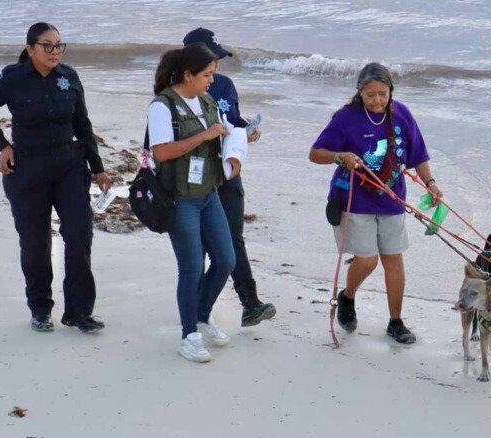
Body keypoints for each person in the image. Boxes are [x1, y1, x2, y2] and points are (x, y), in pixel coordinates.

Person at [0, 22, 111, 333]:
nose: (55, 51)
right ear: (30, 49)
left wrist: (98, 168)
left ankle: (79, 312)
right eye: (47, 45)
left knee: (80, 234)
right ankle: (40, 309)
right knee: (35, 242)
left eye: (59, 45)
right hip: (27, 170)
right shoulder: (13, 78)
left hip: (69, 166)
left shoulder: (69, 77)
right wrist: (4, 146)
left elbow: (83, 124)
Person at [309, 62, 443, 344]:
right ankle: (347, 297)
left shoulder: (401, 114)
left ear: (391, 91)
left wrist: (431, 183)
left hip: (393, 200)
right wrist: (339, 156)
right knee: (368, 260)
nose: (378, 100)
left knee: (394, 260)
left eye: (383, 94)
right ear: (360, 91)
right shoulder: (346, 118)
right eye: (371, 95)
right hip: (354, 200)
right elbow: (316, 153)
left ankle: (396, 322)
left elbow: (418, 155)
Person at [182, 27, 277, 327]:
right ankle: (196, 310)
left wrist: (247, 130)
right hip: (194, 176)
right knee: (197, 245)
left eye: (218, 58)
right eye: (212, 58)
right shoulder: (174, 93)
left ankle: (250, 303)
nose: (217, 64)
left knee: (233, 238)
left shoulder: (224, 84)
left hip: (227, 172)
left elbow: (233, 121)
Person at [149, 42, 236, 362]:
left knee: (226, 260)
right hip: (180, 199)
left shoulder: (207, 100)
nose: (212, 80)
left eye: (213, 74)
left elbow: (221, 131)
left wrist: (236, 143)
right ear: (188, 74)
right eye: (207, 75)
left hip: (209, 193)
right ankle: (188, 335)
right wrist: (205, 135)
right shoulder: (162, 106)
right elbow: (161, 152)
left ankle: (202, 316)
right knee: (192, 268)